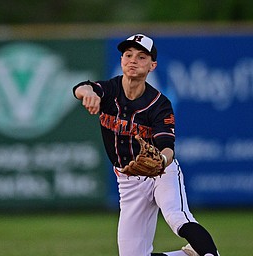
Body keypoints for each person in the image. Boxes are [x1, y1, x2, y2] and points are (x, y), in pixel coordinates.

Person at [72, 33, 220, 256]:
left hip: (161, 172)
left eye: (142, 57)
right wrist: (88, 93)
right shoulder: (109, 90)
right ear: (121, 60)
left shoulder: (159, 104)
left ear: (153, 65)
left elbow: (167, 145)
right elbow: (82, 87)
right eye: (128, 55)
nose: (133, 60)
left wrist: (160, 160)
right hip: (128, 182)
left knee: (176, 216)